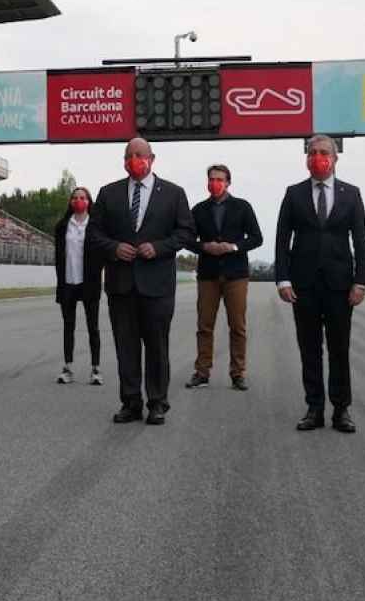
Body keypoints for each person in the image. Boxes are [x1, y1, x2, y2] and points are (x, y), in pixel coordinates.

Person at [87, 137, 194, 426]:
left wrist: (158, 247)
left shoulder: (173, 194)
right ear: (124, 161)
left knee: (157, 346)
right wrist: (114, 248)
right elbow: (94, 234)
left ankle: (157, 403)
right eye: (129, 154)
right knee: (126, 347)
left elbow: (185, 233)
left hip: (157, 285)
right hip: (121, 285)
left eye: (140, 154)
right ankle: (131, 402)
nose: (134, 159)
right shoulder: (108, 194)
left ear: (152, 158)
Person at [275, 134, 365, 434]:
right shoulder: (293, 194)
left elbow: (361, 241)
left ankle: (341, 409)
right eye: (312, 152)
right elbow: (281, 239)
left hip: (341, 286)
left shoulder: (351, 194)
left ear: (335, 158)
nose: (317, 157)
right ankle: (314, 407)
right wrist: (283, 278)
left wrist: (361, 282)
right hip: (303, 285)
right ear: (306, 158)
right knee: (309, 348)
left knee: (339, 349)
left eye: (323, 152)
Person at [189, 164, 264, 391]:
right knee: (204, 325)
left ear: (228, 183)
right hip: (208, 274)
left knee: (237, 326)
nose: (215, 183)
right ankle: (202, 372)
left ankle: (238, 373)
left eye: (220, 179)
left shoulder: (242, 207)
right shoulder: (199, 210)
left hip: (236, 275)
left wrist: (232, 247)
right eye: (211, 179)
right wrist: (204, 246)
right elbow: (186, 239)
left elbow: (256, 238)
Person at [52, 186, 103, 386]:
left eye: (82, 197)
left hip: (89, 283)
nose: (78, 201)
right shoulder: (63, 226)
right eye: (75, 198)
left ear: (89, 201)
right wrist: (59, 283)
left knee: (93, 327)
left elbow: (101, 253)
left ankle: (96, 369)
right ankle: (68, 367)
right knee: (68, 326)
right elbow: (59, 257)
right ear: (70, 202)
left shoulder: (96, 226)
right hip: (68, 282)